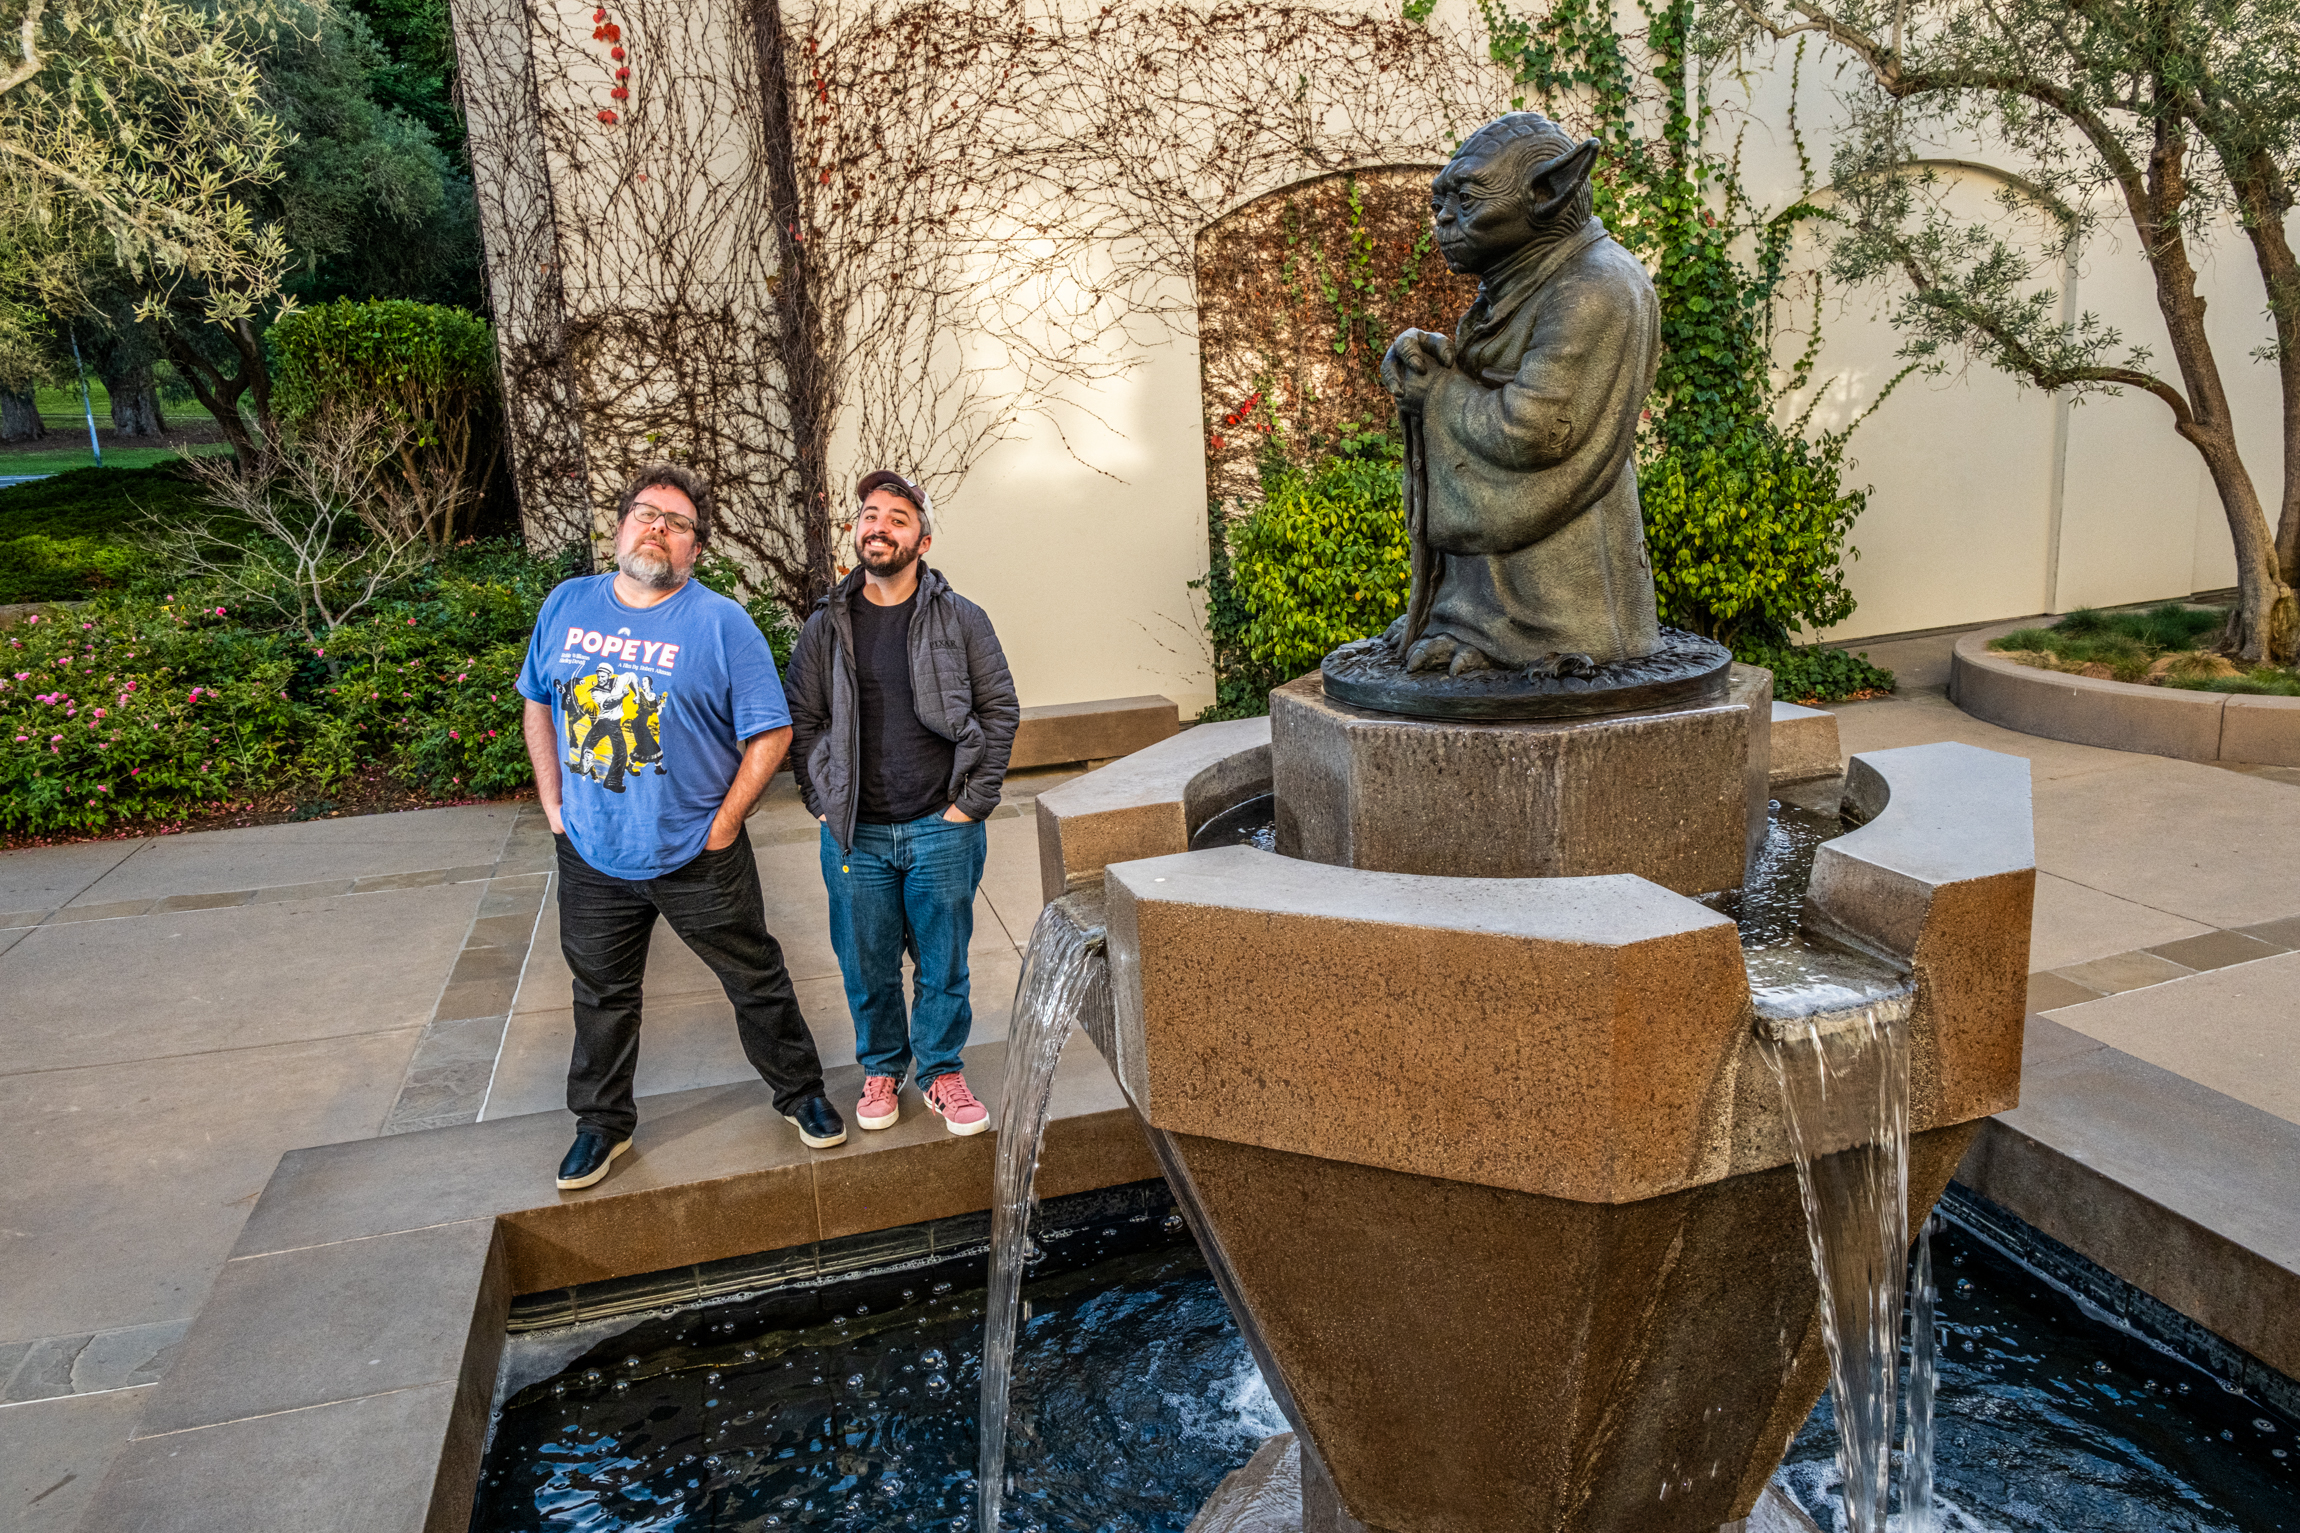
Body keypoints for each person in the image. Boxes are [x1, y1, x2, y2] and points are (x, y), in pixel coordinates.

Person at [518, 463, 847, 1191]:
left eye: (677, 523)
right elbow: (538, 700)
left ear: (695, 548)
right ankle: (602, 1124)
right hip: (593, 851)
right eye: (646, 513)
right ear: (619, 527)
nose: (658, 528)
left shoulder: (721, 622)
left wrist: (726, 823)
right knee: (601, 993)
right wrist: (553, 806)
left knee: (755, 977)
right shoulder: (567, 605)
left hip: (697, 850)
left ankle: (801, 1093)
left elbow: (771, 733)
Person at [788, 470, 1020, 1137]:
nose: (879, 526)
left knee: (945, 960)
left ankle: (942, 1070)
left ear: (922, 537)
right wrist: (823, 805)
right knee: (866, 961)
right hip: (855, 832)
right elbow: (803, 720)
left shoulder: (961, 617)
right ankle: (883, 1064)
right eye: (869, 514)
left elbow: (999, 708)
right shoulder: (826, 625)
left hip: (940, 824)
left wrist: (972, 805)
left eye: (896, 516)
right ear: (856, 530)